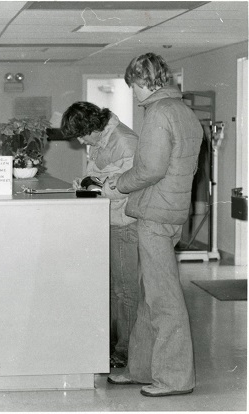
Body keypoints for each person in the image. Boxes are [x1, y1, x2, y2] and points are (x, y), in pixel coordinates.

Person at [103, 53, 203, 397]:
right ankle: (142, 368)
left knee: (164, 301)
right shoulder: (184, 111)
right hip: (171, 211)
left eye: (133, 86)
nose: (133, 93)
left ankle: (175, 378)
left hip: (154, 215)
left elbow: (150, 169)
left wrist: (116, 184)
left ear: (143, 81)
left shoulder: (159, 114)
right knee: (150, 296)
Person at [61, 101, 139, 370]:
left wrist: (97, 188)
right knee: (108, 289)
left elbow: (130, 185)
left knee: (125, 291)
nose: (82, 141)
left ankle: (126, 351)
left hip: (124, 222)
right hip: (105, 220)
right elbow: (95, 176)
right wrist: (85, 184)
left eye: (82, 135)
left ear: (94, 127)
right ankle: (108, 344)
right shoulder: (100, 140)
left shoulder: (126, 142)